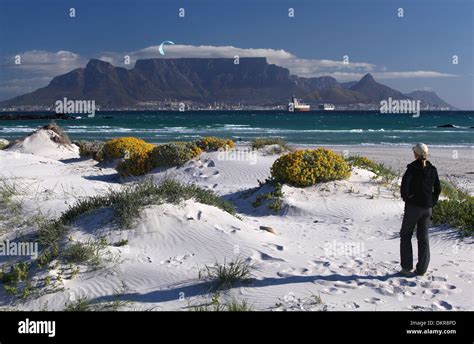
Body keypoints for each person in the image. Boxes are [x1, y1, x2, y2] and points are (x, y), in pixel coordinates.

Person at [399, 143, 441, 277]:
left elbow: (404, 187)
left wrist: (408, 200)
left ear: (415, 154)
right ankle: (422, 270)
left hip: (414, 208)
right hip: (427, 208)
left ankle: (406, 268)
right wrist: (432, 201)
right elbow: (438, 189)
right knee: (423, 237)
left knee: (406, 235)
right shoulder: (432, 169)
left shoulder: (412, 168)